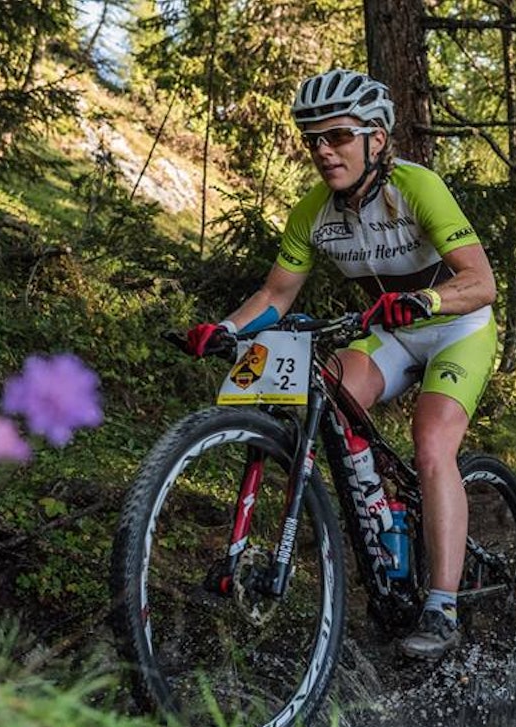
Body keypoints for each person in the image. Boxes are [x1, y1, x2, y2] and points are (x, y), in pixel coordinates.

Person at [185, 69, 498, 661]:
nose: (324, 150)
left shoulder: (416, 187)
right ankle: (381, 522)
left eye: (338, 137)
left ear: (376, 140)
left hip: (458, 327)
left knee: (432, 444)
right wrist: (225, 329)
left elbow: (481, 284)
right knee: (326, 390)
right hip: (393, 331)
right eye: (313, 140)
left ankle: (443, 602)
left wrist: (425, 300)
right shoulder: (312, 213)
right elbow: (277, 296)